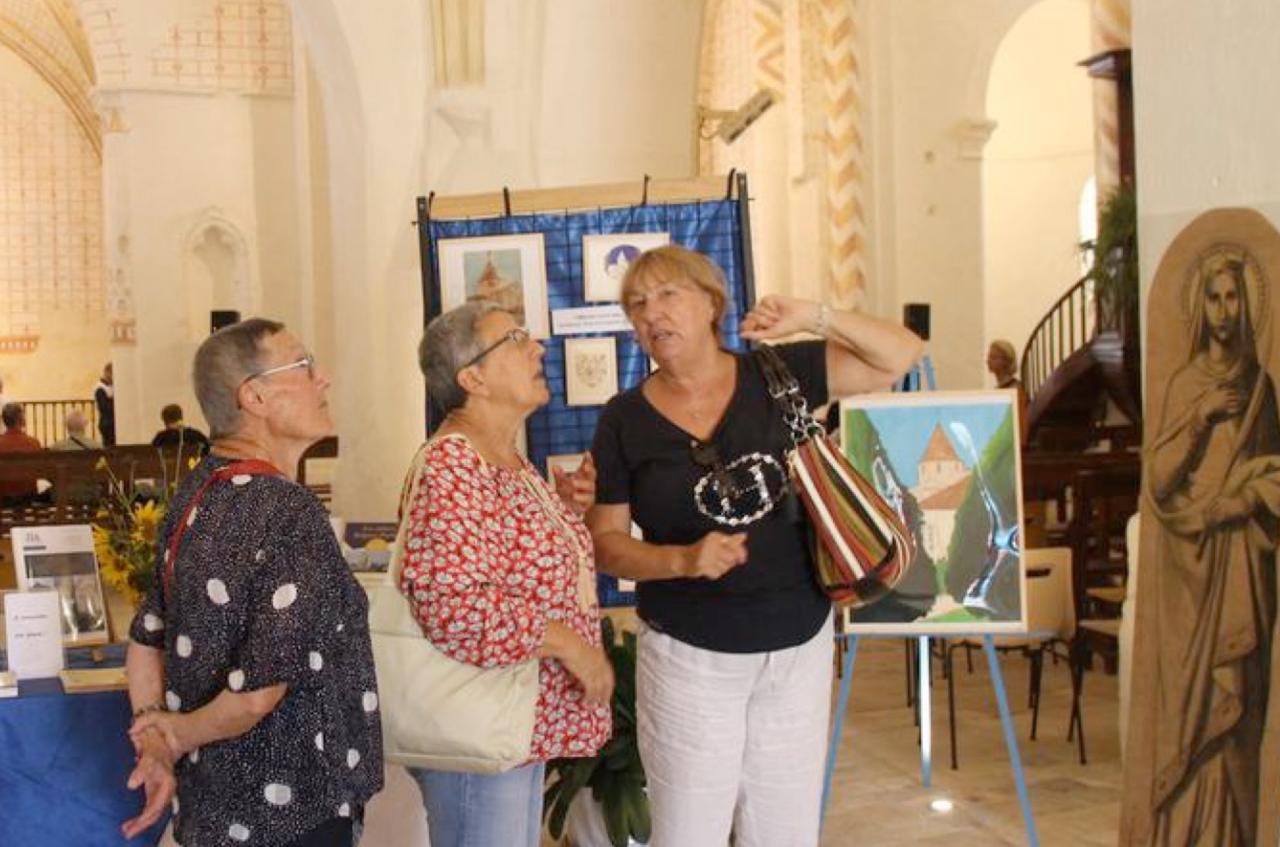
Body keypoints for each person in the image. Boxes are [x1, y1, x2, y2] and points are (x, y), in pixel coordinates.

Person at [580, 245, 920, 845]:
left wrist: (815, 315)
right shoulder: (624, 420)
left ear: (711, 302)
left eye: (667, 295)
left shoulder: (776, 375)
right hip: (691, 658)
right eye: (636, 304)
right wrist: (681, 560)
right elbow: (606, 544)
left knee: (784, 832)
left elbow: (900, 354)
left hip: (798, 648)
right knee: (690, 834)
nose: (651, 314)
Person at [122, 319, 381, 847]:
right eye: (304, 367)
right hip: (292, 813)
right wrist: (171, 736)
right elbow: (256, 696)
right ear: (255, 395)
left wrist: (155, 735)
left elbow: (145, 637)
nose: (323, 379)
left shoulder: (196, 492)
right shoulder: (287, 510)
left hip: (213, 807)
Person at [401, 303, 613, 846]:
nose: (537, 347)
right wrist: (570, 645)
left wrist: (564, 514)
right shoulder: (455, 463)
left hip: (512, 718)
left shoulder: (504, 458)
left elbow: (512, 570)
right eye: (515, 339)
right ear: (472, 378)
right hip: (478, 720)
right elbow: (452, 604)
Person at [1137, 250, 1280, 845]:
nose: (1224, 311)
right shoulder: (1185, 384)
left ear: (1247, 304)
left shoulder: (1261, 386)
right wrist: (1201, 416)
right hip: (1188, 567)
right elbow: (1158, 482)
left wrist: (1242, 499)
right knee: (1192, 703)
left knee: (1236, 704)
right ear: (1200, 307)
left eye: (1234, 298)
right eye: (1214, 298)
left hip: (1240, 565)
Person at [0, 403, 44, 505]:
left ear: (4, 421)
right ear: (22, 420)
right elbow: (40, 470)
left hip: (2, 497)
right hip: (28, 495)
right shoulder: (34, 443)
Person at [987, 338, 1029, 427]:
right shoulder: (997, 389)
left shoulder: (1016, 389)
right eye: (989, 357)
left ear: (1006, 361)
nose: (988, 361)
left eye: (993, 357)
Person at [95, 362, 119, 447]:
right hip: (107, 424)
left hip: (113, 422)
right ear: (108, 373)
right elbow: (104, 408)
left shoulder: (113, 386)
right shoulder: (100, 388)